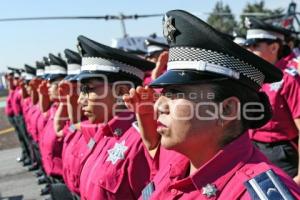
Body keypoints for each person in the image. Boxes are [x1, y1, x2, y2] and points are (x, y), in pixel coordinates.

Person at [124, 10, 300, 199]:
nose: (159, 106)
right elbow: (153, 149)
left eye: (175, 93)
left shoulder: (257, 194)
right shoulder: (178, 163)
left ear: (226, 110)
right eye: (163, 93)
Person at [74, 35, 155, 200]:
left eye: (88, 89)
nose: (80, 99)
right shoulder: (104, 132)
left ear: (121, 92)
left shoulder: (143, 141)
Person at [244, 17, 300, 181]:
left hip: (280, 154)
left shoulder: (289, 79)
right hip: (252, 149)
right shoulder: (253, 76)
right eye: (247, 46)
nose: (248, 50)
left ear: (274, 47)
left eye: (254, 46)